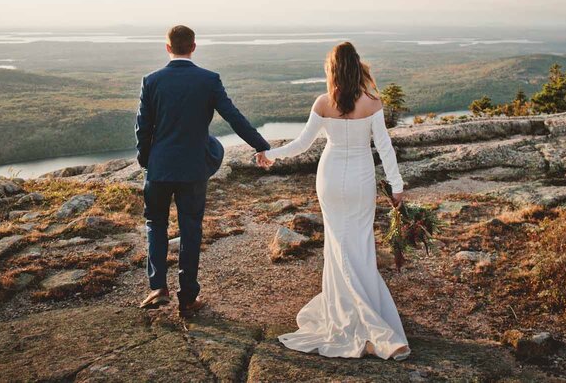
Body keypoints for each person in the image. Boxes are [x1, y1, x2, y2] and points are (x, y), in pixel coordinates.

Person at [256, 41, 411, 360]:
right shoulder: (372, 103)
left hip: (330, 177)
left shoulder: (324, 102)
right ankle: (367, 312)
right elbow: (384, 148)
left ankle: (345, 311)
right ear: (356, 66)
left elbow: (301, 144)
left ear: (332, 70)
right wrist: (396, 185)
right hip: (361, 179)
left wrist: (270, 155)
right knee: (359, 245)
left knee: (337, 245)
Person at [135, 24, 271, 316]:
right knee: (191, 229)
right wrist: (260, 145)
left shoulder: (152, 81)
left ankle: (157, 286)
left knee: (155, 224)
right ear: (194, 47)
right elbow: (234, 117)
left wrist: (147, 160)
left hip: (159, 169)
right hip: (194, 169)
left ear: (168, 47)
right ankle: (187, 297)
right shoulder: (208, 80)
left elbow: (142, 129)